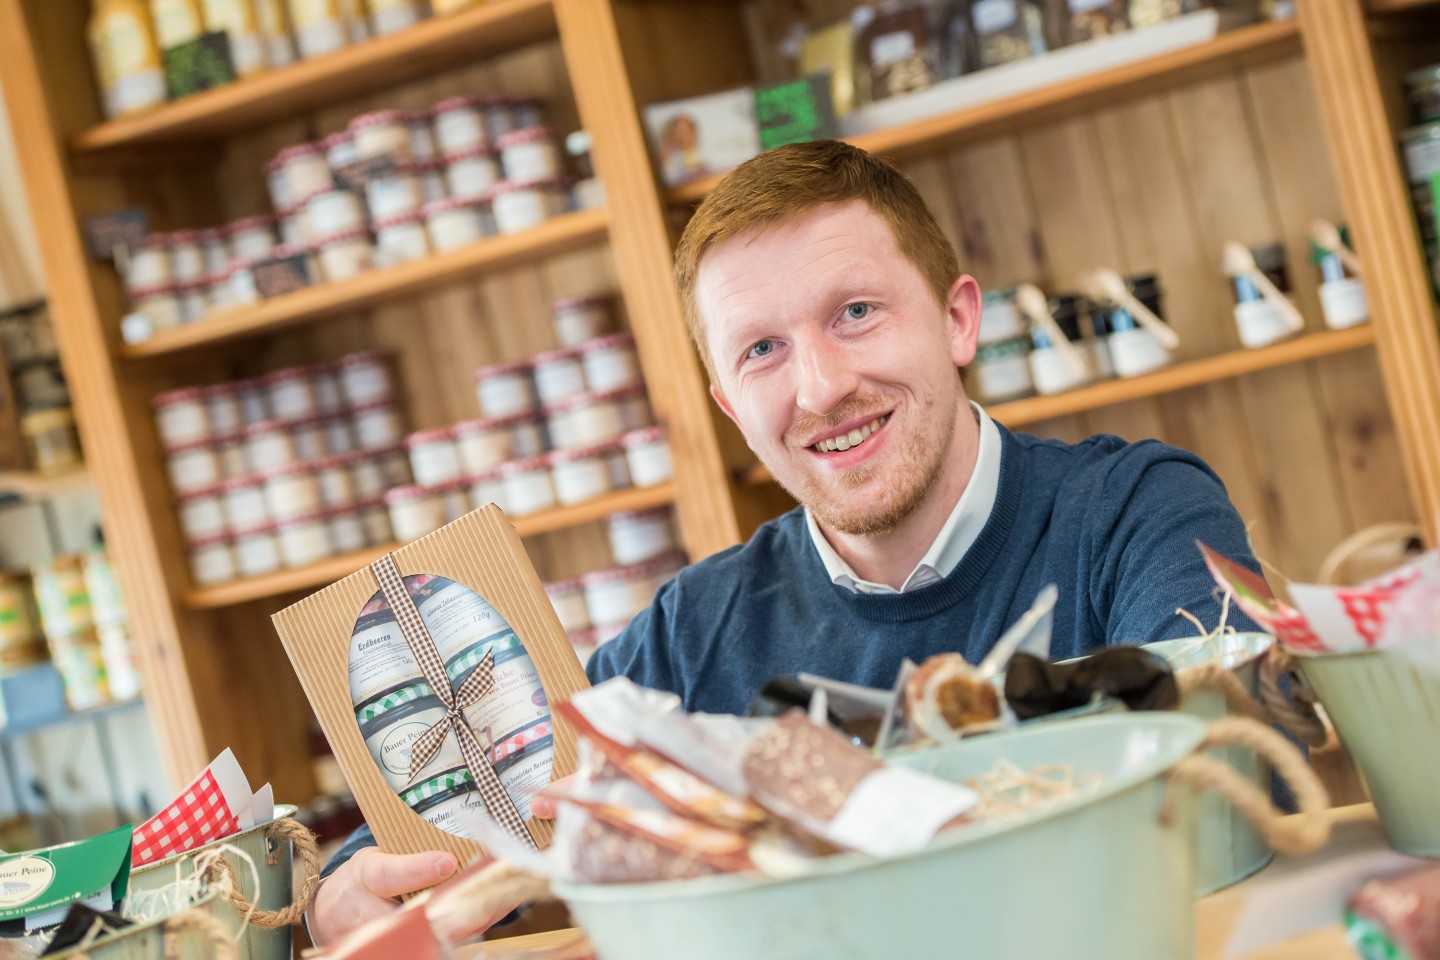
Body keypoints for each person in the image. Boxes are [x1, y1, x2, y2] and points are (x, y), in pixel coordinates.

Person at [309, 140, 1261, 943]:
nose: (819, 388)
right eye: (760, 349)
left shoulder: (1138, 512)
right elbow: (475, 812)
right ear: (730, 405)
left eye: (856, 312)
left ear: (957, 318)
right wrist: (339, 895)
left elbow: (1205, 778)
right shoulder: (696, 630)